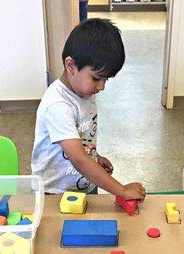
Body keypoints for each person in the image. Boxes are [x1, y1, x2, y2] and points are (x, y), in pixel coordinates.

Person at [31, 18, 146, 201]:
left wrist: (94, 157)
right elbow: (78, 158)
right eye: (96, 78)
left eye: (106, 79)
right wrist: (122, 190)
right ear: (71, 66)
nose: (101, 87)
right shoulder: (57, 105)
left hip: (84, 185)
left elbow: (81, 138)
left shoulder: (84, 91)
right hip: (55, 193)